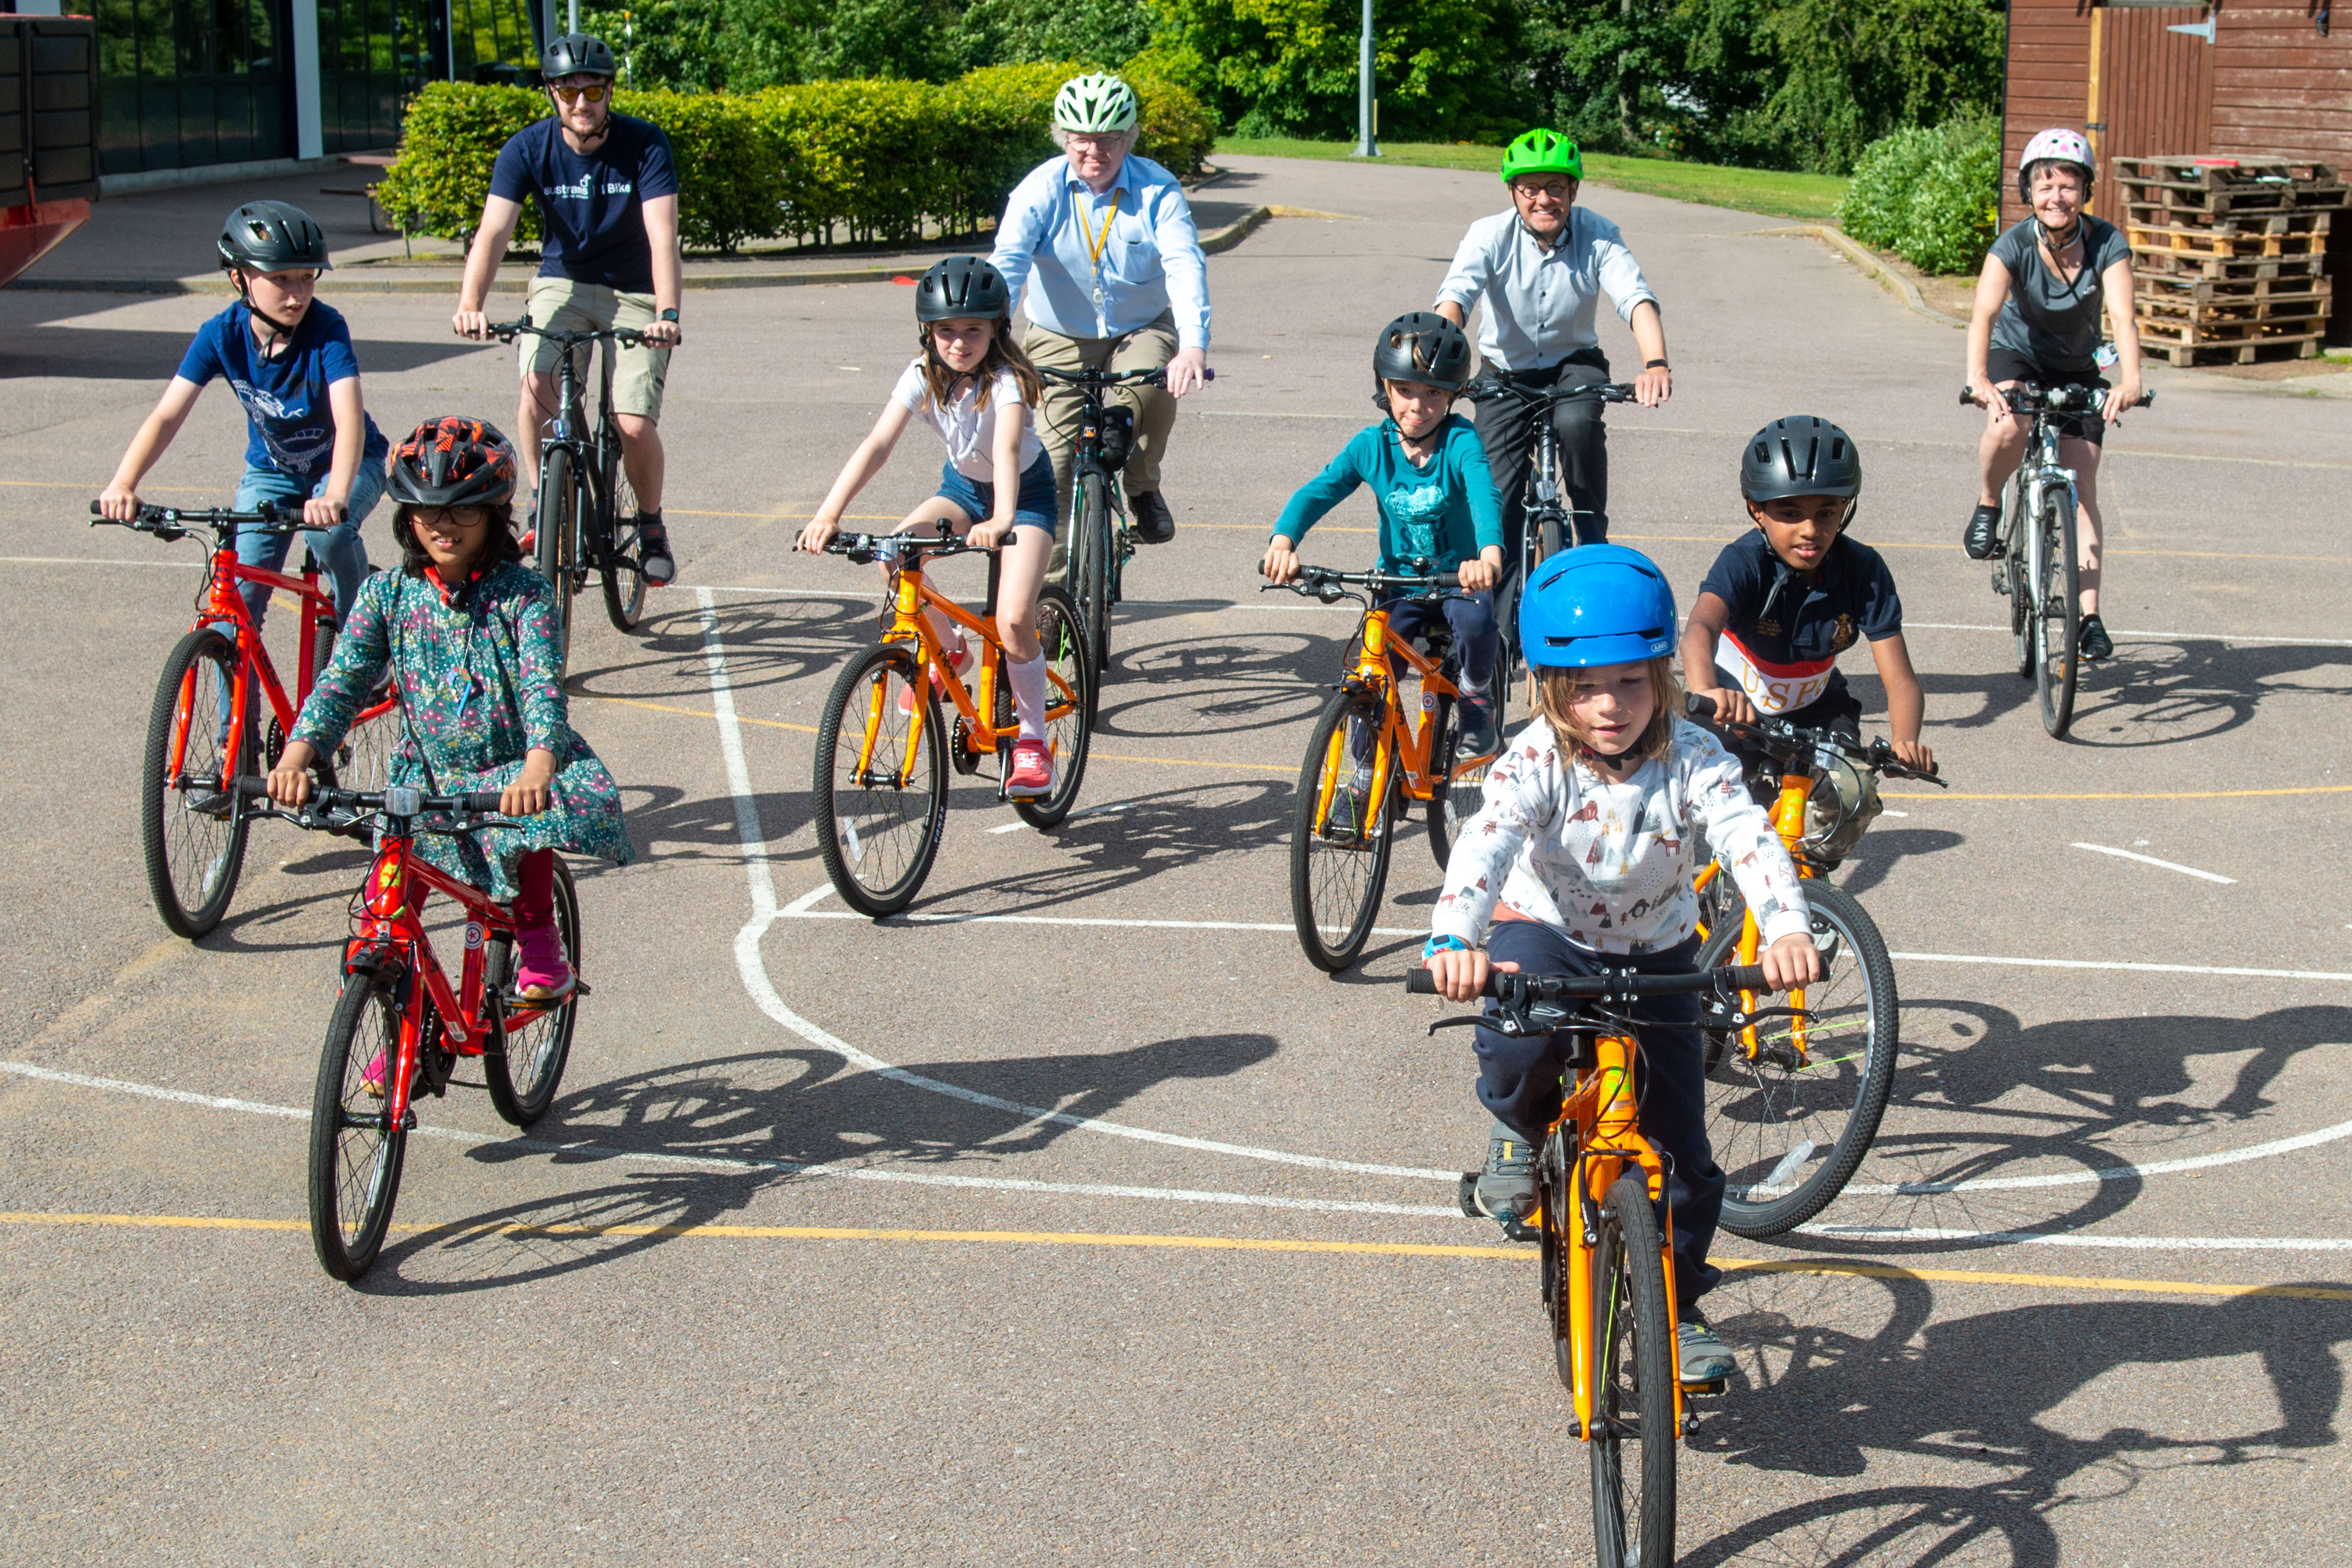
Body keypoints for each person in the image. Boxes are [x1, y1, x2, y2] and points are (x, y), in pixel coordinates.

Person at [1418, 544, 1819, 1382]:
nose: (1609, 706)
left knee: (1682, 1149)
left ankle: (1677, 1302)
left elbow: (1747, 836)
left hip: (1656, 950)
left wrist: (1784, 927)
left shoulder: (1695, 756)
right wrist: (1456, 938)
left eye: (1631, 682)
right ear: (1548, 688)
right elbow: (1486, 844)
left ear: (1664, 676)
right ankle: (1518, 1130)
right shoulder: (1535, 759)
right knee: (1519, 1037)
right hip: (1549, 930)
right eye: (1584, 686)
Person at [265, 417, 634, 1004]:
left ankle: (541, 938)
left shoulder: (525, 594)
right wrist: (297, 756)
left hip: (508, 772)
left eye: (464, 511)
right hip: (425, 777)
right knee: (381, 922)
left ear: (493, 514)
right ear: (406, 517)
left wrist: (537, 768)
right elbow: (342, 682)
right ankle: (394, 1030)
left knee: (529, 826)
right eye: (428, 512)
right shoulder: (388, 595)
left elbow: (543, 687)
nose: (445, 526)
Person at [795, 258, 1063, 799]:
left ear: (997, 329)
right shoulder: (921, 375)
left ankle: (1033, 740)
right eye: (946, 331)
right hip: (963, 488)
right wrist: (829, 513)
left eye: (973, 330)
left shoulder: (1006, 380)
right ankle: (953, 651)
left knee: (1013, 619)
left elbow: (1009, 451)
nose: (959, 343)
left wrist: (1004, 518)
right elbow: (876, 446)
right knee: (893, 555)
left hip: (1025, 495)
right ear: (927, 331)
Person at [452, 32, 684, 586]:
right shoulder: (527, 149)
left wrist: (668, 315)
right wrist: (470, 304)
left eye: (594, 90)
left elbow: (662, 237)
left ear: (609, 92)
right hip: (564, 282)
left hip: (637, 292)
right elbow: (493, 233)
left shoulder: (645, 145)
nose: (582, 103)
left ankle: (650, 524)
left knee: (631, 422)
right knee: (537, 389)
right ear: (552, 93)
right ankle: (544, 500)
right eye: (568, 91)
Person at [99, 200, 388, 630]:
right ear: (239, 278)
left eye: (308, 278)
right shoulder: (221, 335)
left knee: (327, 536)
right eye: (280, 280)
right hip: (272, 472)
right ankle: (230, 689)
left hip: (348, 464)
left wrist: (336, 495)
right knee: (234, 607)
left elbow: (349, 417)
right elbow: (167, 415)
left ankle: (362, 634)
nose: (298, 294)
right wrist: (124, 483)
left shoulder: (327, 328)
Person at [1680, 417, 1933, 863]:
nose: (1810, 530)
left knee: (1851, 793)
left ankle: (1808, 886)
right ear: (1756, 509)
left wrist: (1905, 740)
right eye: (1790, 513)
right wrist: (1706, 690)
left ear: (1846, 509)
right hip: (1737, 711)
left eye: (1826, 513)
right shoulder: (1743, 562)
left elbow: (1901, 680)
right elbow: (1700, 630)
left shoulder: (1864, 570)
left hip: (1818, 712)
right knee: (1690, 807)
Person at [1264, 312, 1508, 760]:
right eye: (1405, 390)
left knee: (1476, 624)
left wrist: (1488, 556)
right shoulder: (1371, 446)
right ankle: (1364, 773)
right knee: (1374, 674)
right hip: (1401, 583)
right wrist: (1284, 540)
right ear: (1385, 387)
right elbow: (1320, 491)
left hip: (1460, 578)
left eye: (1433, 392)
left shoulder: (1460, 441)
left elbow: (1483, 494)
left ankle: (1477, 697)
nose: (1417, 406)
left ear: (1454, 395)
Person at [988, 71, 1211, 551]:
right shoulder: (1039, 190)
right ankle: (1050, 598)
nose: (1094, 152)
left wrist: (1192, 345)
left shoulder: (1158, 189)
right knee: (1050, 466)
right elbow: (1007, 265)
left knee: (1154, 380)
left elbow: (1183, 263)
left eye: (1107, 140)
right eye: (1081, 141)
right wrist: (992, 337)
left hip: (1141, 325)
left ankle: (1142, 486)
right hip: (1058, 333)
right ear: (1062, 139)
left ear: (1128, 138)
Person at [1434, 128, 1671, 557]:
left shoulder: (1600, 235)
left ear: (1574, 190)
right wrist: (1439, 363)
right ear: (1513, 193)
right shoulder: (1488, 235)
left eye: (1556, 187)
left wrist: (1655, 364)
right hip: (1504, 372)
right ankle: (1498, 617)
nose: (1544, 199)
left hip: (1573, 364)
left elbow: (1635, 299)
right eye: (1530, 188)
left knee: (1578, 425)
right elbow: (1456, 297)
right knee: (1494, 497)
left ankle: (1592, 539)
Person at [1963, 127, 2144, 662]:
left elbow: (2125, 317)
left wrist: (2130, 380)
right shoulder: (2013, 245)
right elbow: (1984, 314)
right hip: (2016, 354)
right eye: (2045, 185)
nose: (2056, 196)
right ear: (2030, 192)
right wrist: (1979, 377)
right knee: (2009, 423)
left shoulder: (2107, 243)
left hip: (2080, 365)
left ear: (2084, 191)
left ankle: (2088, 617)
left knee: (2081, 482)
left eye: (2068, 185)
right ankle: (1990, 502)